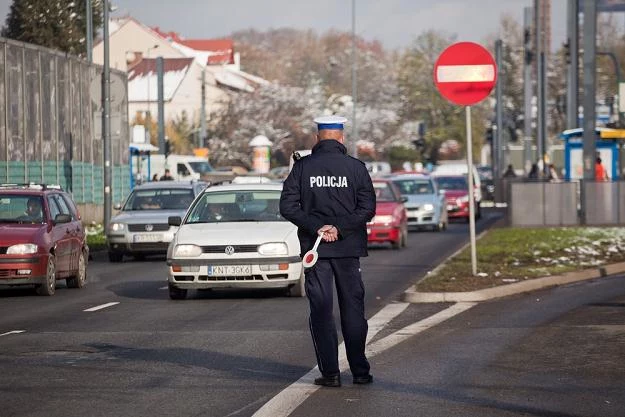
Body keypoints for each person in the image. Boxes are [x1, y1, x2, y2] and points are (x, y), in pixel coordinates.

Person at [280, 115, 376, 388]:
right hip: (348, 249)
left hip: (316, 249)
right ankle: (360, 371)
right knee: (353, 310)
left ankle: (331, 373)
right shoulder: (356, 168)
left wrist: (319, 227)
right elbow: (367, 209)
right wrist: (340, 228)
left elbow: (287, 206)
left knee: (321, 310)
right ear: (342, 138)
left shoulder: (302, 168)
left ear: (317, 138)